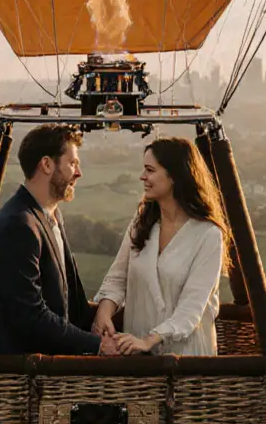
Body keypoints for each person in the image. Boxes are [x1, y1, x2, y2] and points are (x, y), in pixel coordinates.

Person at [0, 124, 120, 355]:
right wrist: (97, 345)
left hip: (46, 363)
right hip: (17, 374)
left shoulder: (49, 214)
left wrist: (97, 322)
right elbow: (29, 317)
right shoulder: (18, 226)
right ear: (46, 164)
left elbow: (67, 296)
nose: (78, 173)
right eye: (72, 163)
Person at [91, 136, 231, 356]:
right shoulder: (141, 223)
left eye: (150, 170)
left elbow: (192, 308)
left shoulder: (208, 235)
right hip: (136, 357)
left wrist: (149, 340)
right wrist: (104, 312)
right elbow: (117, 279)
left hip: (186, 360)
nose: (142, 177)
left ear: (174, 176)